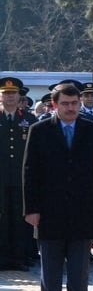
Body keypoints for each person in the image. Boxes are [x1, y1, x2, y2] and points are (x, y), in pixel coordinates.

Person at [22, 82, 93, 291]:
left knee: (79, 269)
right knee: (50, 267)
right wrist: (31, 209)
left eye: (75, 103)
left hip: (83, 209)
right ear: (54, 104)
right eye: (65, 104)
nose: (71, 108)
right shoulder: (39, 131)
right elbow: (30, 172)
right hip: (49, 210)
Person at [1, 76, 37, 271]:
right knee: (2, 218)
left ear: (18, 95)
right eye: (6, 94)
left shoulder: (28, 119)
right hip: (1, 179)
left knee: (19, 219)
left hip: (21, 178)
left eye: (13, 93)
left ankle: (18, 258)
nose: (9, 97)